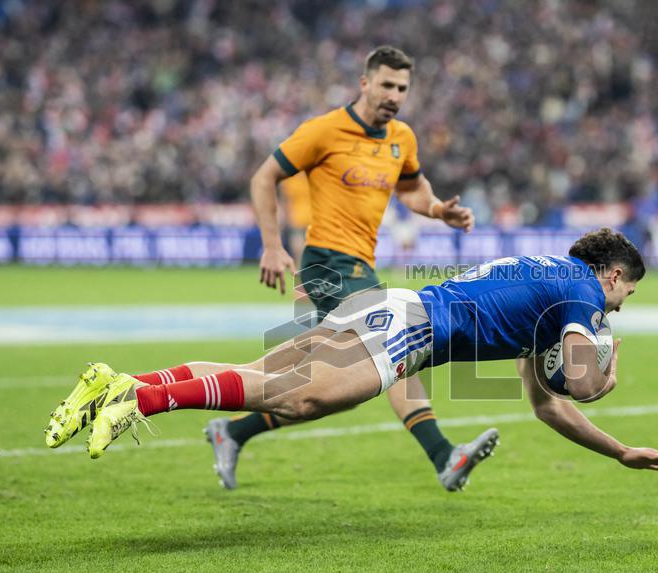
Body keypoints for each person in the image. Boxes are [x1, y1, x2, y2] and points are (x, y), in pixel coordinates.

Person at [43, 229, 658, 479]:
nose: (623, 304)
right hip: (415, 328)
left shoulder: (550, 284)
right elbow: (578, 377)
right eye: (629, 288)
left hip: (399, 308)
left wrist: (619, 450)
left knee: (268, 377)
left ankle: (122, 384)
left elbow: (547, 406)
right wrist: (601, 379)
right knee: (304, 396)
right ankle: (145, 401)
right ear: (611, 273)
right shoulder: (579, 291)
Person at [199, 45, 492, 492]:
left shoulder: (402, 138)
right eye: (387, 84)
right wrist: (273, 247)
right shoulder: (324, 130)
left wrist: (436, 209)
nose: (394, 94)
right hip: (326, 262)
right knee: (393, 347)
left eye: (402, 87)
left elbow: (411, 189)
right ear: (365, 83)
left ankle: (233, 431)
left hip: (360, 264)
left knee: (336, 391)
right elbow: (264, 177)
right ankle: (443, 455)